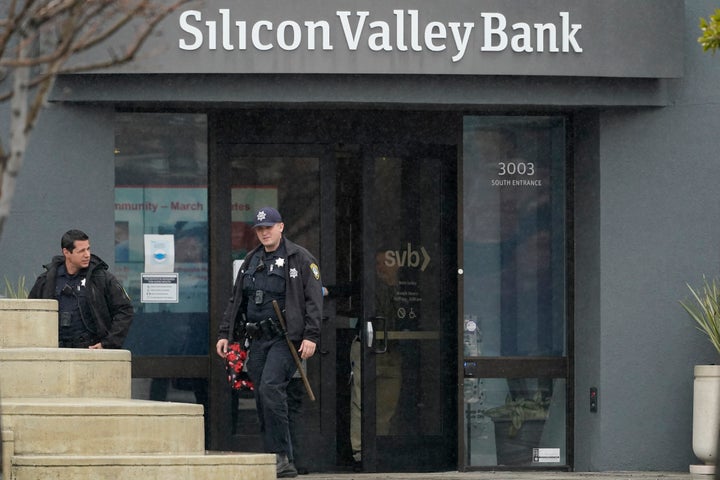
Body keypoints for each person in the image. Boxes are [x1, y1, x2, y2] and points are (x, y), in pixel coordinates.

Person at [216, 207, 322, 479]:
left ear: (281, 227)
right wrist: (226, 333)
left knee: (271, 388)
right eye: (260, 229)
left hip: (287, 339)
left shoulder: (299, 258)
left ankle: (283, 457)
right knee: (263, 396)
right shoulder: (251, 260)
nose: (264, 232)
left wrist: (311, 335)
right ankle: (274, 455)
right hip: (258, 339)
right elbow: (236, 299)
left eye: (269, 227)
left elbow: (314, 300)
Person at [29, 229, 134, 349]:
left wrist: (107, 343)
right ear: (66, 252)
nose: (87, 255)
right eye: (81, 251)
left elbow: (125, 310)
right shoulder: (48, 280)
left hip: (90, 349)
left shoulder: (101, 278)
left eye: (88, 249)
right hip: (55, 349)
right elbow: (31, 312)